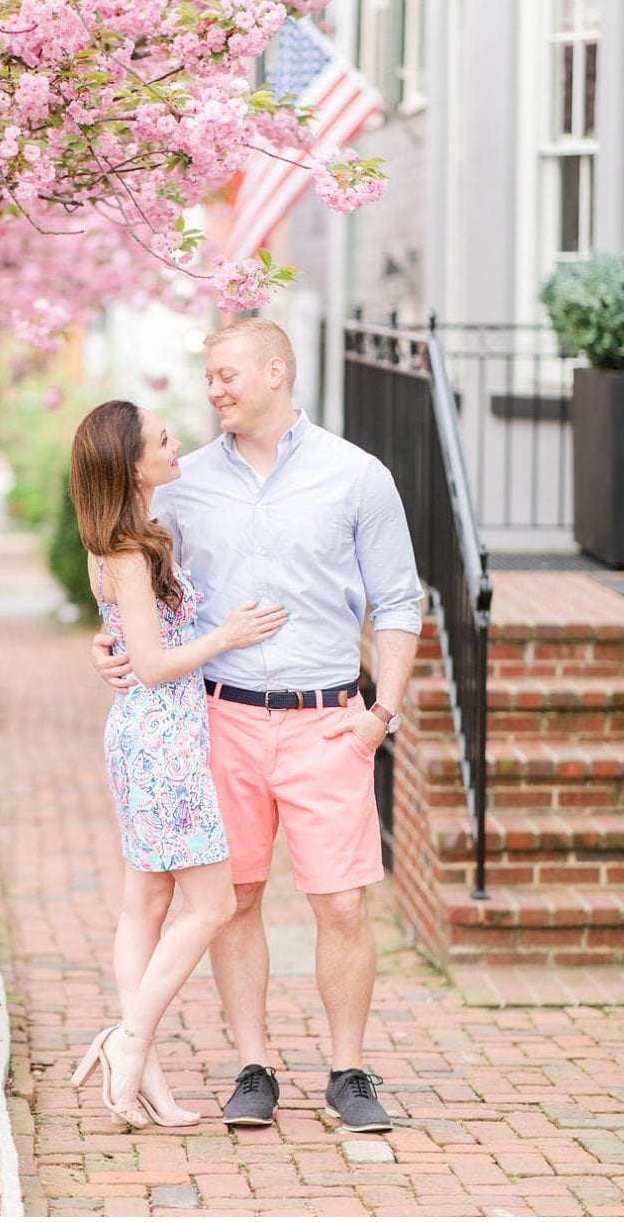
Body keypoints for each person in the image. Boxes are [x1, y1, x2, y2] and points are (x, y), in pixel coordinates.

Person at [92, 318, 422, 1133]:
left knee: (341, 905)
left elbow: (402, 601)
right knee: (236, 899)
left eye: (229, 374)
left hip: (329, 722)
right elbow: (134, 579)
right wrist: (106, 641)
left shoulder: (358, 476)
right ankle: (255, 1064)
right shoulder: (181, 483)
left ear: (277, 371)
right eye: (208, 377)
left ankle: (349, 1070)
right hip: (219, 721)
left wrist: (382, 714)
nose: (215, 389)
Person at [67, 400, 288, 1128]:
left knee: (147, 902)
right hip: (161, 736)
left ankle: (145, 1076)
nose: (175, 442)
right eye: (162, 438)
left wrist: (105, 649)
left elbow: (127, 640)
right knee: (212, 903)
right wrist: (226, 634)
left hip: (153, 732)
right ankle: (128, 1040)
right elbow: (156, 663)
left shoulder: (126, 537)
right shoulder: (129, 551)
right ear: (133, 464)